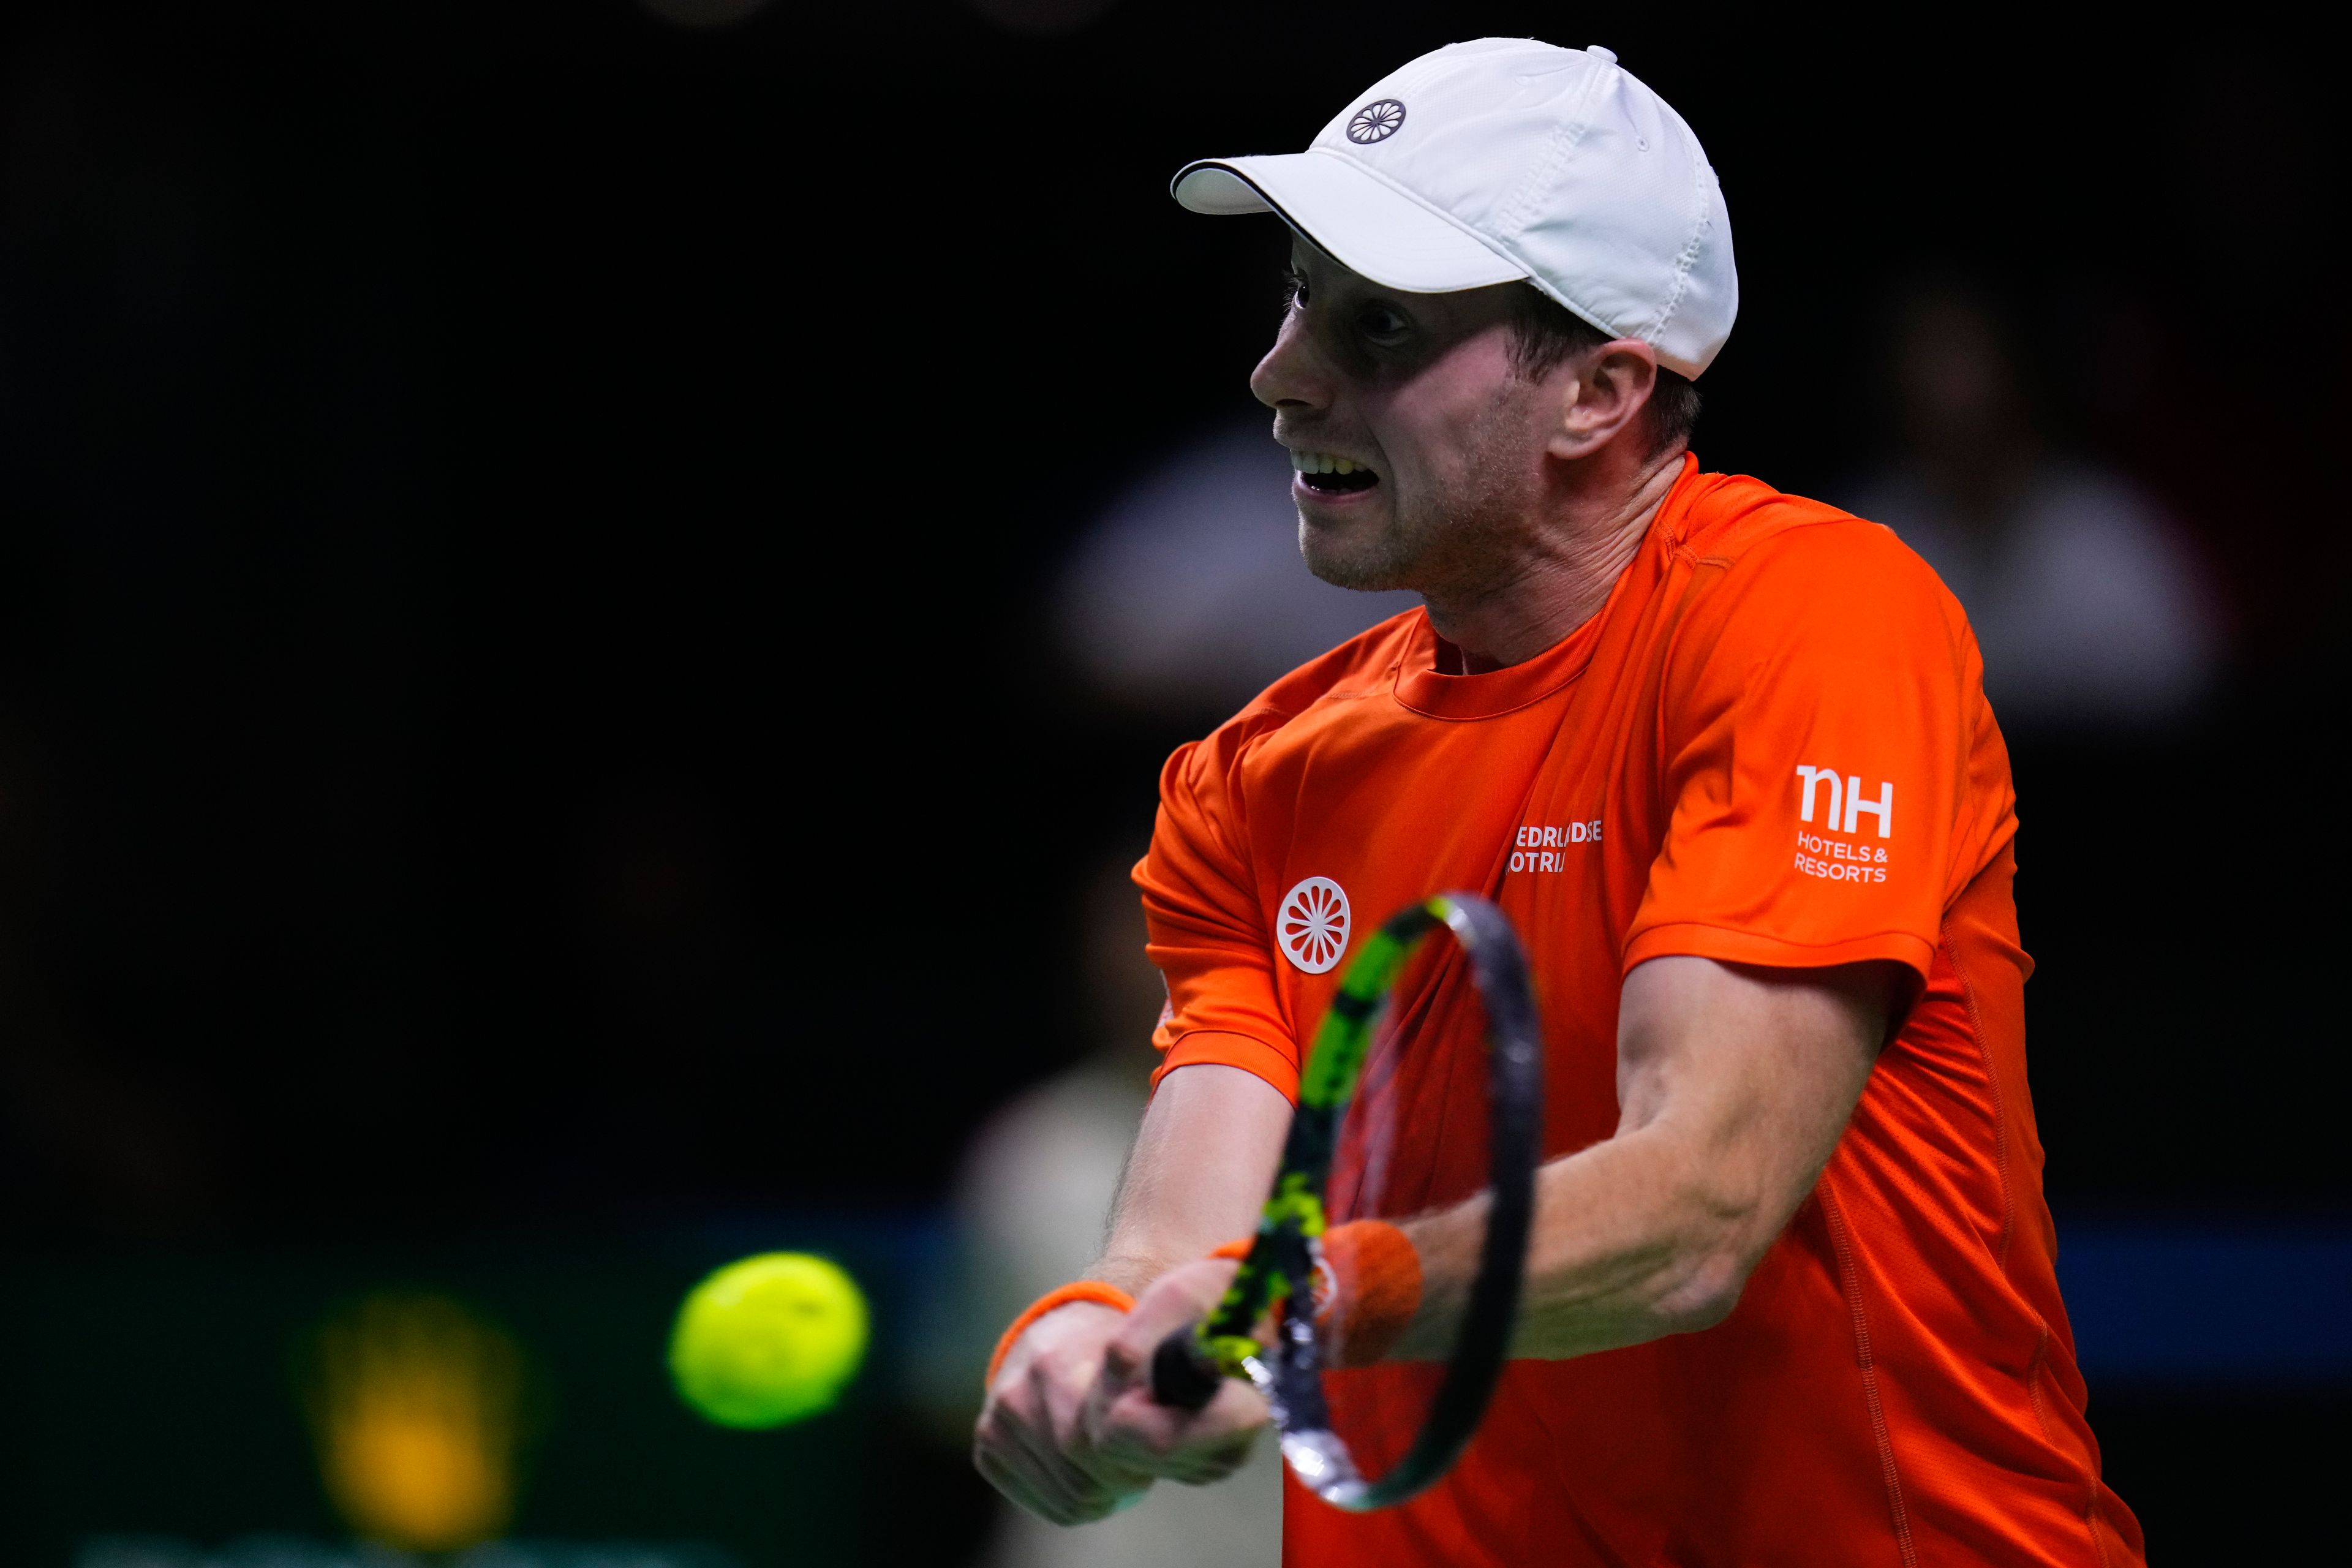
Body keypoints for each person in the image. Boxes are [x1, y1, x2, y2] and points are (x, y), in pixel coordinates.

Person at [973, 38, 2145, 1566]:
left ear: (1601, 388)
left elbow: (1701, 1202)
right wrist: (1094, 1344)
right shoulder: (1253, 780)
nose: (1283, 371)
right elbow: (1181, 1243)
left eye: (1377, 322)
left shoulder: (1810, 618)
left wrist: (1319, 1293)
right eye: (1296, 295)